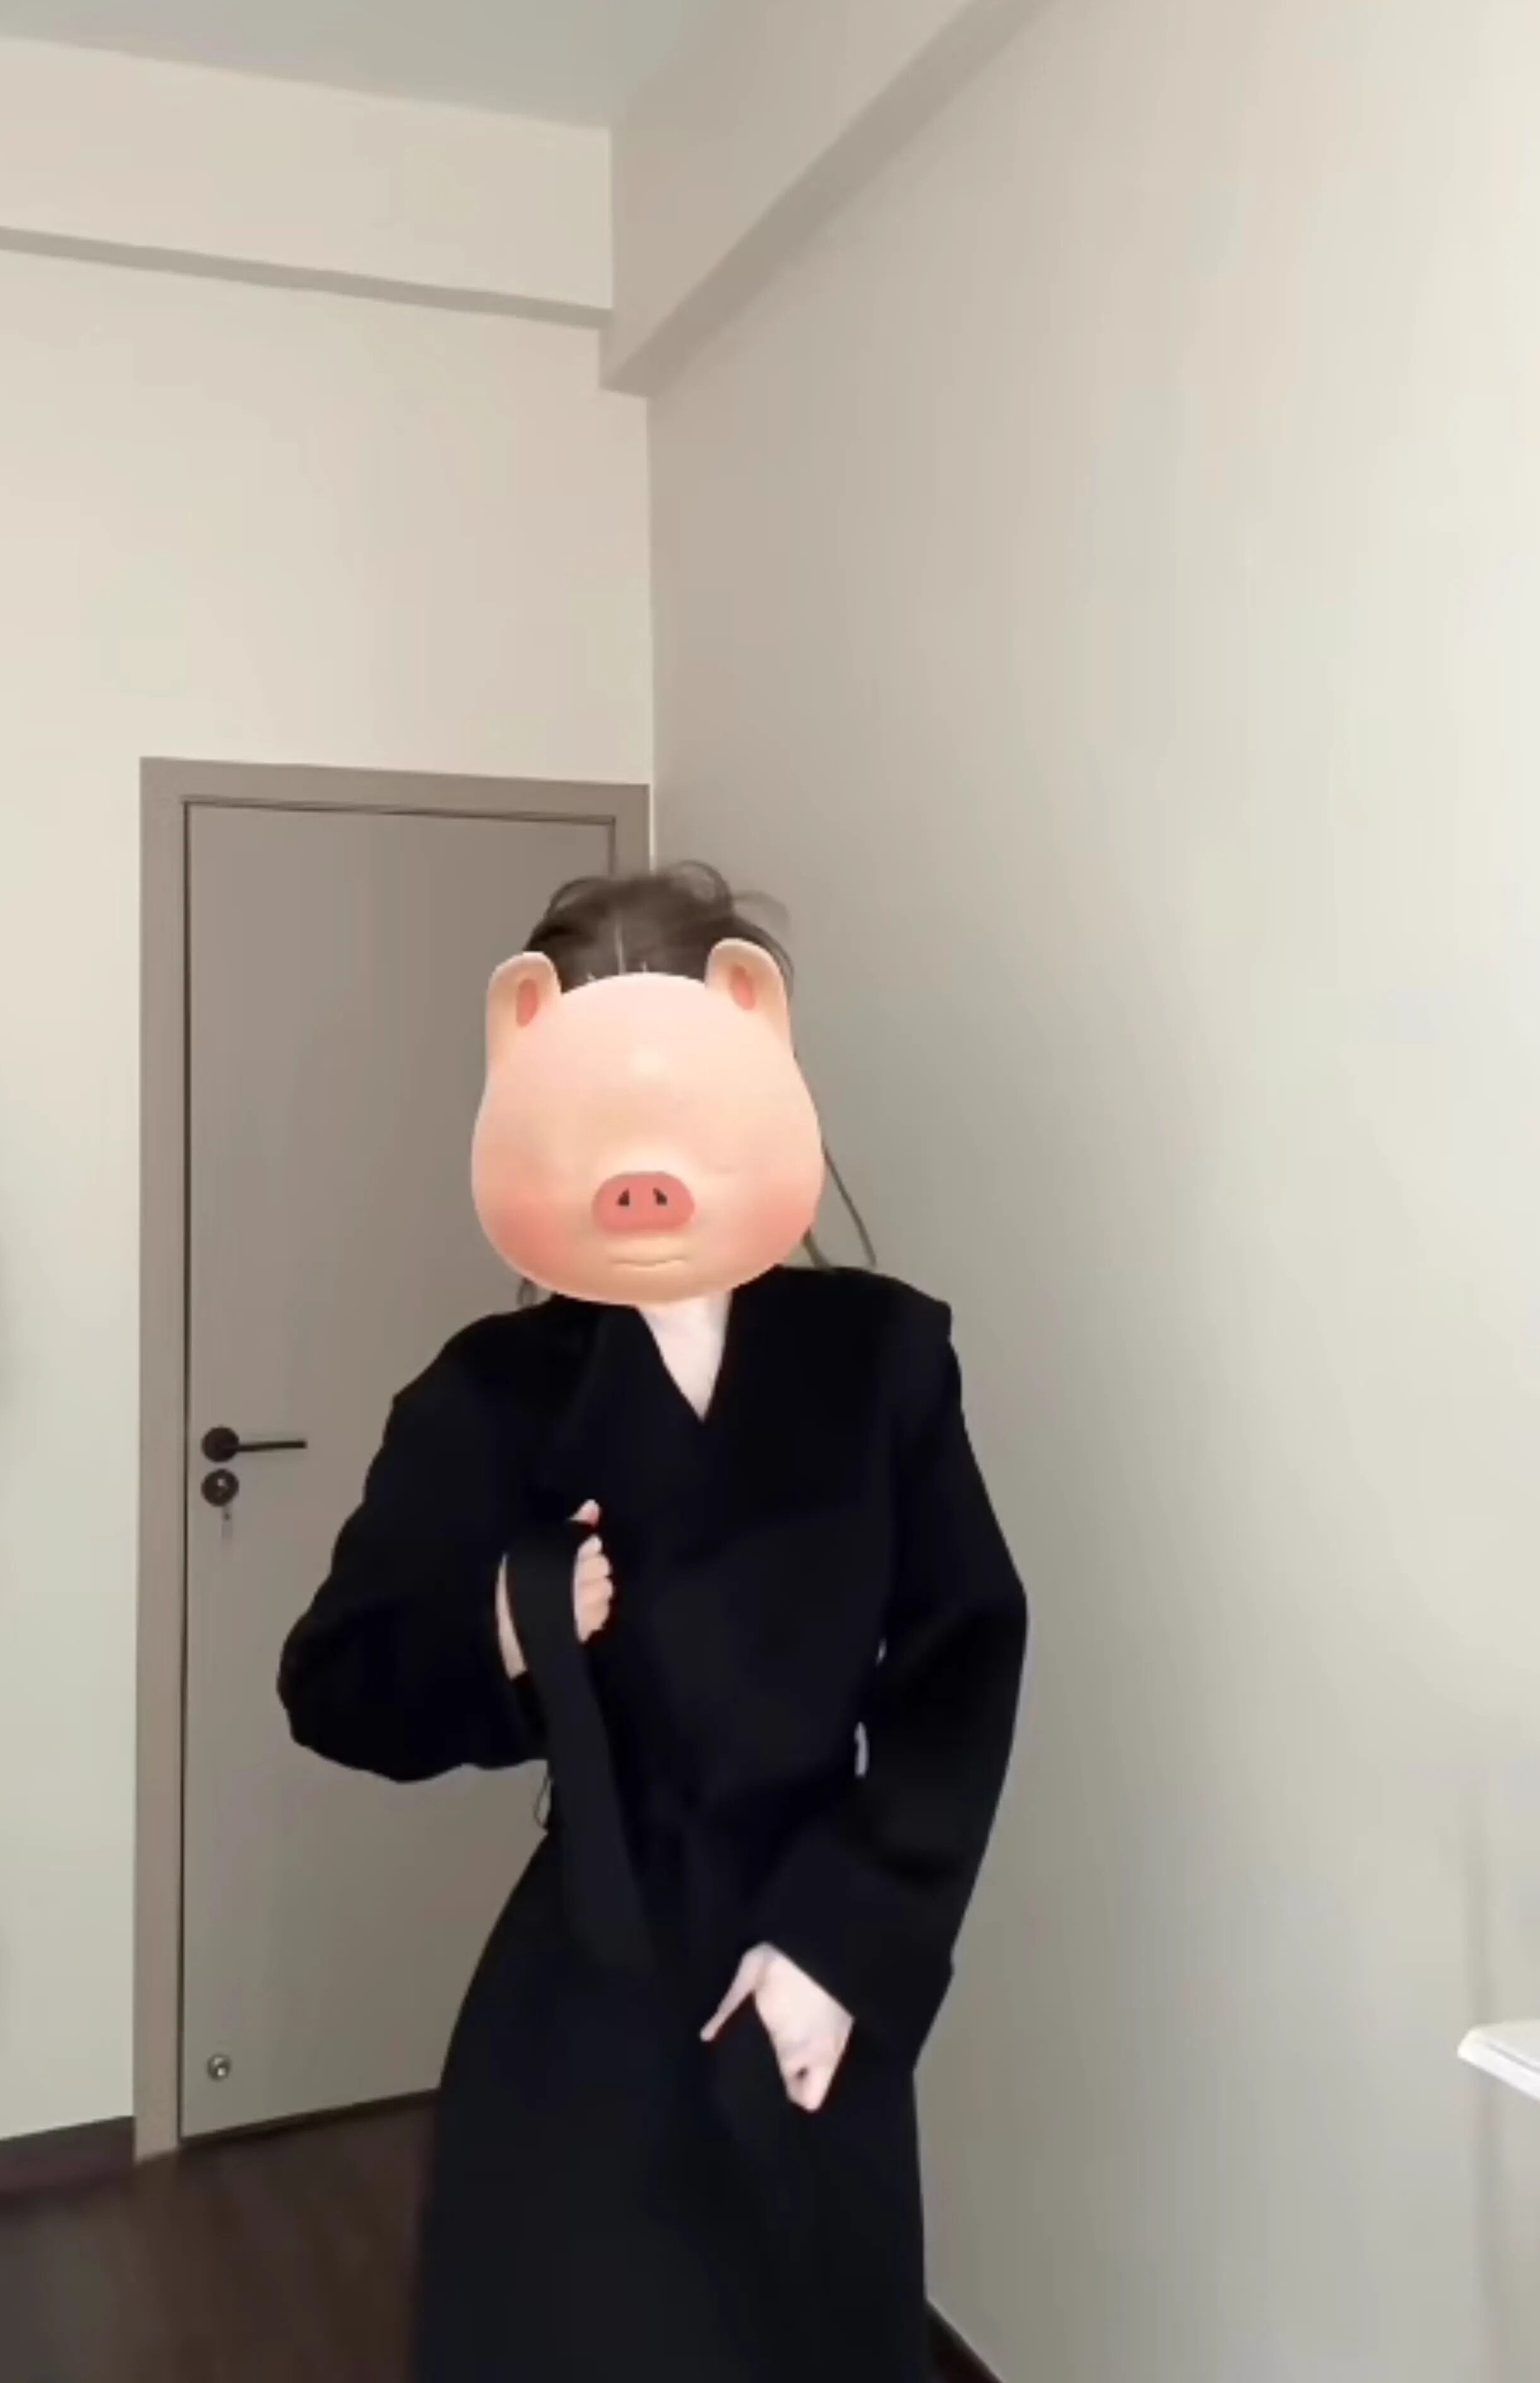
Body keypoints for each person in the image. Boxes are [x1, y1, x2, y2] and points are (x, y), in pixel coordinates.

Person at [278, 863, 1027, 2383]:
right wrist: (506, 1621)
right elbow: (333, 1681)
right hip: (587, 2003)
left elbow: (961, 1657)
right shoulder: (490, 1394)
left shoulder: (882, 1358)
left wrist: (847, 1946)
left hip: (819, 1976)